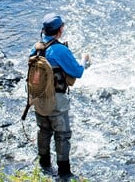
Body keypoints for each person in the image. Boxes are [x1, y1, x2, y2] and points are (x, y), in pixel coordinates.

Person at [30, 13, 90, 180]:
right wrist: (84, 60)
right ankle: (64, 172)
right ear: (59, 30)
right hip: (57, 101)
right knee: (62, 134)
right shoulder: (60, 50)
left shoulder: (36, 48)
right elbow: (77, 72)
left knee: (43, 130)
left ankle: (44, 164)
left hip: (38, 98)